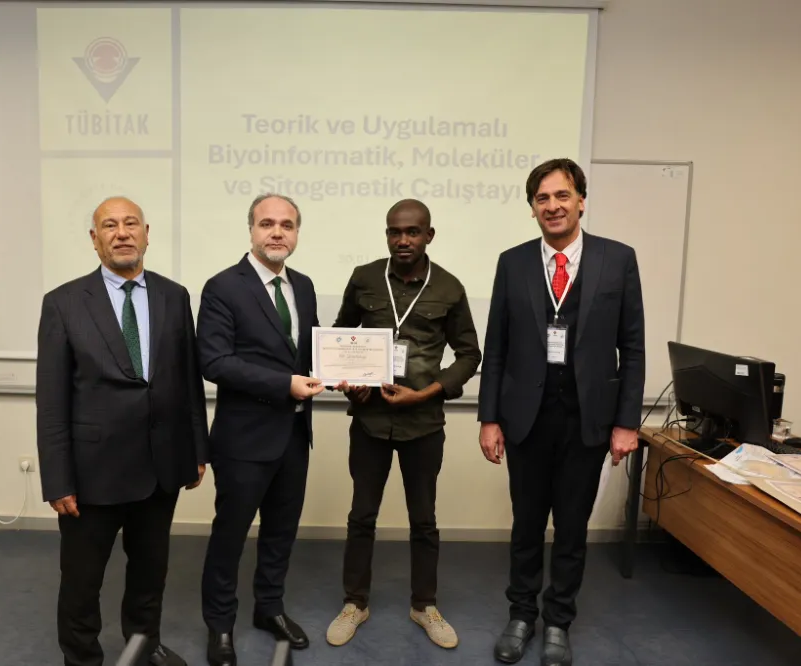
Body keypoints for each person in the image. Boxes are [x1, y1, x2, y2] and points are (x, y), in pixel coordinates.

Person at [477, 158, 645, 666]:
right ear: (532, 208)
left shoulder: (618, 259)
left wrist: (626, 423)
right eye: (542, 198)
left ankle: (558, 622)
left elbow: (632, 348)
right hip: (525, 419)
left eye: (562, 195)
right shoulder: (513, 263)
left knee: (571, 528)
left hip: (587, 421)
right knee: (526, 525)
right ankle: (521, 615)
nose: (553, 206)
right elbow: (496, 347)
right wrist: (489, 418)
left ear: (581, 201)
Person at [35, 196, 209, 666]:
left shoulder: (175, 296)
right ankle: (81, 659)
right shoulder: (64, 303)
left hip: (161, 465)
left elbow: (188, 380)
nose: (122, 233)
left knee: (150, 573)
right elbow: (51, 401)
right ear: (95, 240)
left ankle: (144, 647)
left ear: (147, 234)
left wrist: (197, 449)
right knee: (82, 581)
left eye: (131, 223)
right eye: (109, 225)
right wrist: (57, 479)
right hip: (91, 474)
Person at [325, 199, 482, 649]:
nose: (403, 240)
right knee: (361, 515)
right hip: (370, 422)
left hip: (423, 422)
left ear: (429, 235)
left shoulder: (449, 287)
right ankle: (355, 603)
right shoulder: (365, 278)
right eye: (395, 232)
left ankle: (424, 605)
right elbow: (340, 338)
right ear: (387, 235)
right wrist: (350, 383)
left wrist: (428, 392)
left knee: (424, 520)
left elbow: (469, 354)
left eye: (412, 232)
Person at [197, 193, 324, 666]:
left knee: (280, 532)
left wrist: (344, 373)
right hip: (244, 440)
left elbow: (309, 352)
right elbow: (214, 362)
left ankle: (269, 608)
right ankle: (220, 624)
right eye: (267, 223)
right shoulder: (222, 287)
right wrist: (284, 384)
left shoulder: (303, 286)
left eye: (286, 225)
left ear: (296, 233)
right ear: (251, 229)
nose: (277, 232)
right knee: (230, 536)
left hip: (294, 435)